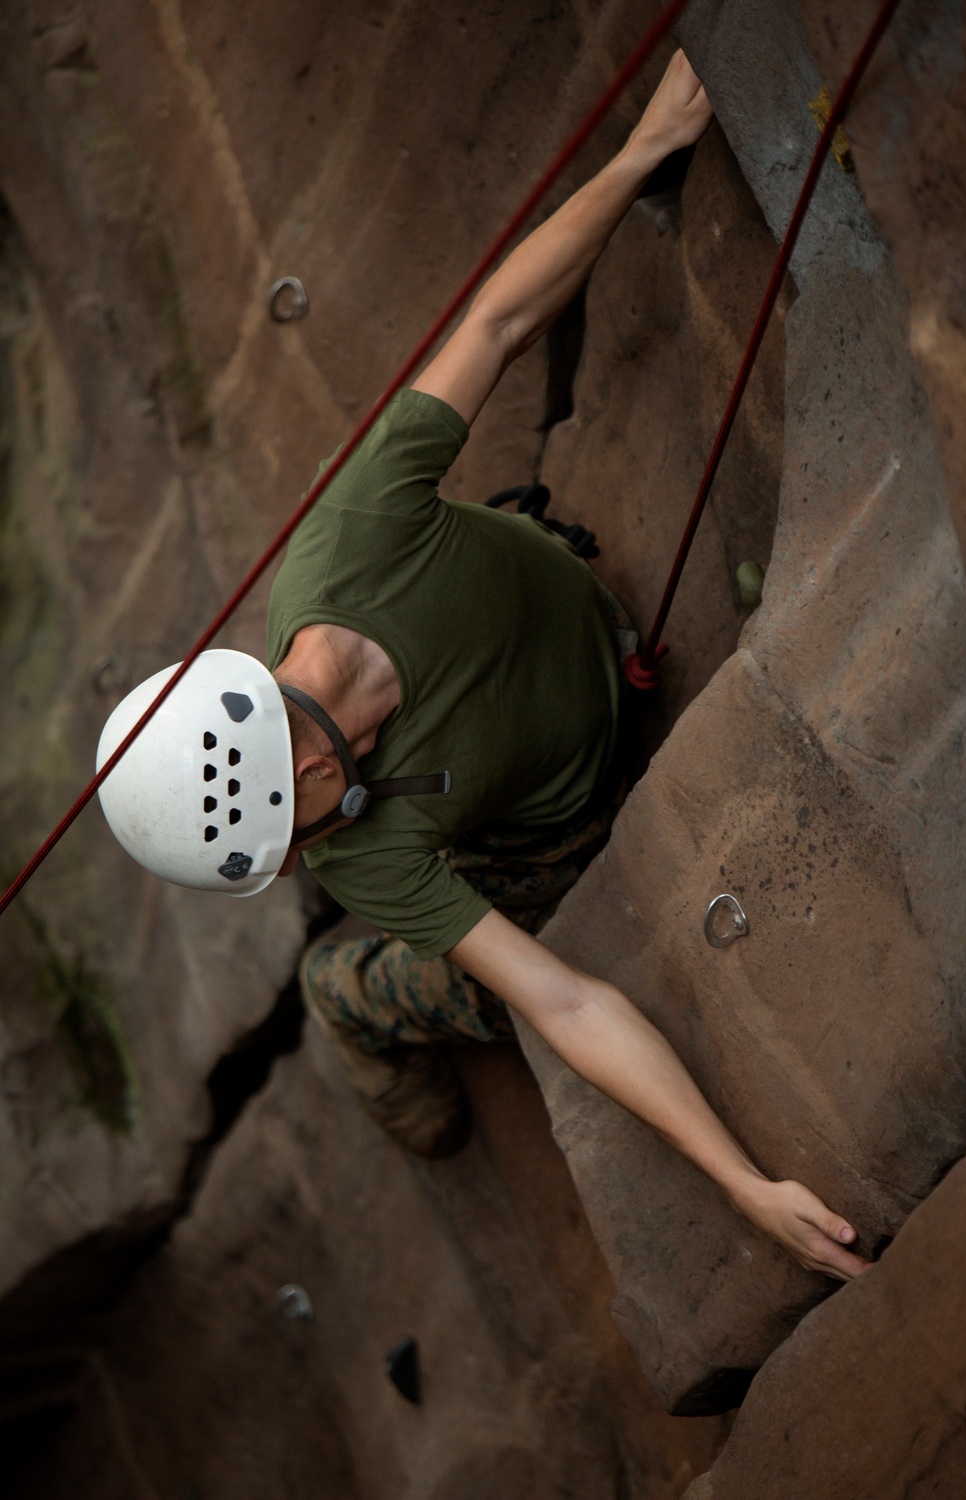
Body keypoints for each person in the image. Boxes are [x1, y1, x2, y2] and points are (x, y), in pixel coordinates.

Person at [97, 51, 868, 1282]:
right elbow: (562, 1003)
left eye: (284, 844)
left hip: (578, 671)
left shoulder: (350, 547)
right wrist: (742, 1182)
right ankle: (357, 1008)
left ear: (294, 759)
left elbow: (498, 326)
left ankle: (341, 996)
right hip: (549, 776)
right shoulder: (369, 846)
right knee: (497, 969)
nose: (307, 865)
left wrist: (642, 149)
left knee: (397, 958)